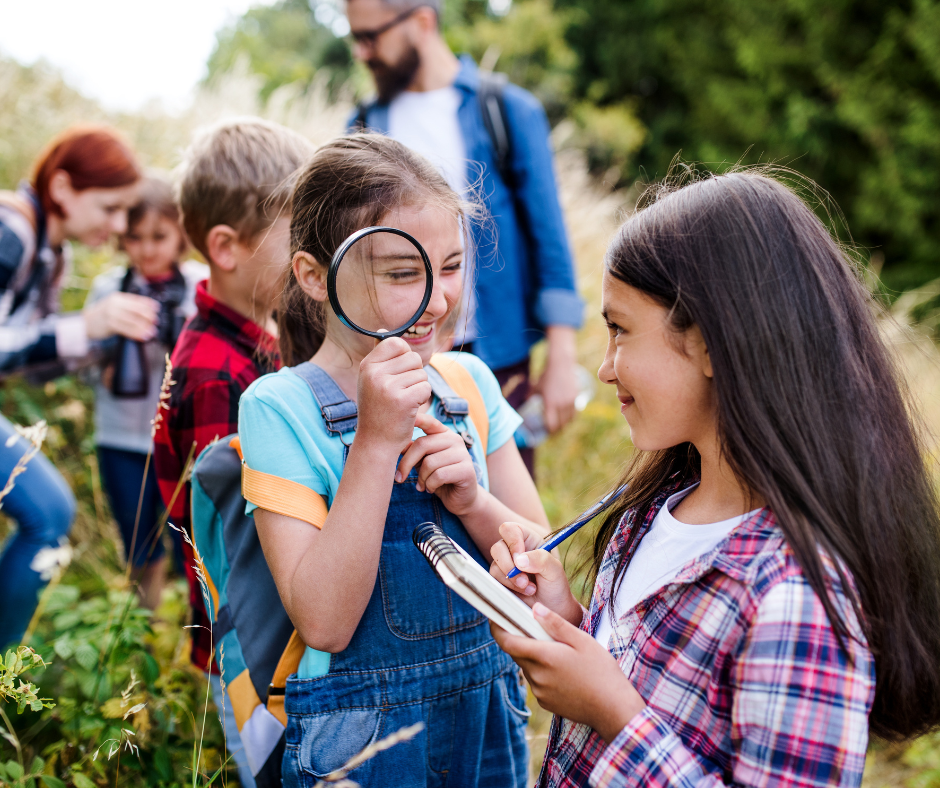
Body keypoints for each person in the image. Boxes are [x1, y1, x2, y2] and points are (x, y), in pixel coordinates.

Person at [488, 170, 940, 787]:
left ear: (706, 342)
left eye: (620, 330)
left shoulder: (796, 597)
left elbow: (630, 706)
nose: (604, 366)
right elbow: (652, 669)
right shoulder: (653, 510)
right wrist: (565, 620)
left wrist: (617, 718)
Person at [237, 133, 549, 786]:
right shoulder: (279, 408)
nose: (438, 301)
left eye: (454, 265)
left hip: (487, 726)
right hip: (359, 747)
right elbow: (324, 622)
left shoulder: (469, 385)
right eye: (404, 273)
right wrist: (375, 445)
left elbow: (544, 582)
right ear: (314, 277)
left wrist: (473, 501)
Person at [345, 0, 583, 474]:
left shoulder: (507, 110)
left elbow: (548, 236)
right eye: (356, 38)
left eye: (370, 37)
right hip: (405, 351)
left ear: (422, 22)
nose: (361, 53)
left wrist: (561, 354)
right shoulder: (364, 127)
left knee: (506, 500)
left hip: (501, 356)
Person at [151, 118, 313, 788]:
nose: (313, 254)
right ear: (226, 247)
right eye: (296, 236)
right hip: (253, 651)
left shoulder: (251, 339)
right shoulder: (216, 374)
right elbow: (237, 537)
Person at [0, 125, 150, 648]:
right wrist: (84, 326)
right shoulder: (11, 232)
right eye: (109, 208)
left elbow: (25, 363)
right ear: (63, 188)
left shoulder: (49, 252)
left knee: (50, 513)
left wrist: (99, 346)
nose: (115, 225)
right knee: (48, 514)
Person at [85, 176, 207, 610]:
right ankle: (142, 631)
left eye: (159, 236)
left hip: (180, 440)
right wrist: (108, 364)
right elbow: (83, 362)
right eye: (134, 238)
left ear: (181, 235)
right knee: (139, 543)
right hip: (120, 436)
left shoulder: (198, 286)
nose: (148, 249)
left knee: (191, 548)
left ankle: (198, 640)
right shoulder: (109, 289)